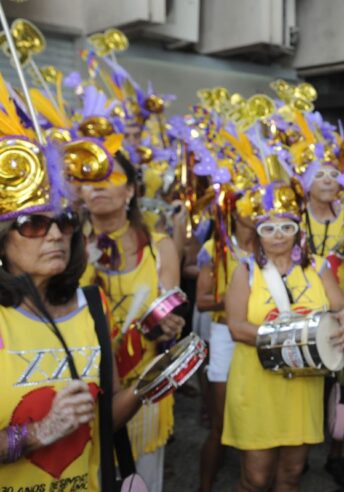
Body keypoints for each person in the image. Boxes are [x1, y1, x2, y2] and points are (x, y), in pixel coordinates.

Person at [0, 99, 142, 487]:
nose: (54, 235)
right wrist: (37, 433)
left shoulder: (91, 305)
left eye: (64, 221)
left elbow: (103, 417)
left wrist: (151, 382)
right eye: (32, 225)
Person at [222, 180, 344, 492]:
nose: (278, 235)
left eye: (286, 227)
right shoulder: (246, 270)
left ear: (298, 231)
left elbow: (343, 307)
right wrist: (299, 337)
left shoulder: (318, 268)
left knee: (292, 474)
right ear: (257, 233)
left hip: (302, 386)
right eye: (269, 228)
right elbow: (237, 327)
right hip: (257, 384)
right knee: (255, 479)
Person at [80, 152, 184, 491]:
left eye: (110, 180)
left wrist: (171, 324)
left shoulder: (159, 247)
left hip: (143, 384)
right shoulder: (62, 246)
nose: (98, 188)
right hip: (82, 389)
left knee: (140, 479)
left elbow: (171, 307)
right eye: (90, 181)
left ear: (129, 192)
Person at [196, 204, 256, 492]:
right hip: (224, 335)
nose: (256, 210)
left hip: (255, 335)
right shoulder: (215, 247)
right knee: (219, 424)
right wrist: (239, 302)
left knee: (254, 420)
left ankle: (253, 481)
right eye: (249, 203)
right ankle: (204, 486)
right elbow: (202, 300)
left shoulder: (270, 245)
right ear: (232, 209)